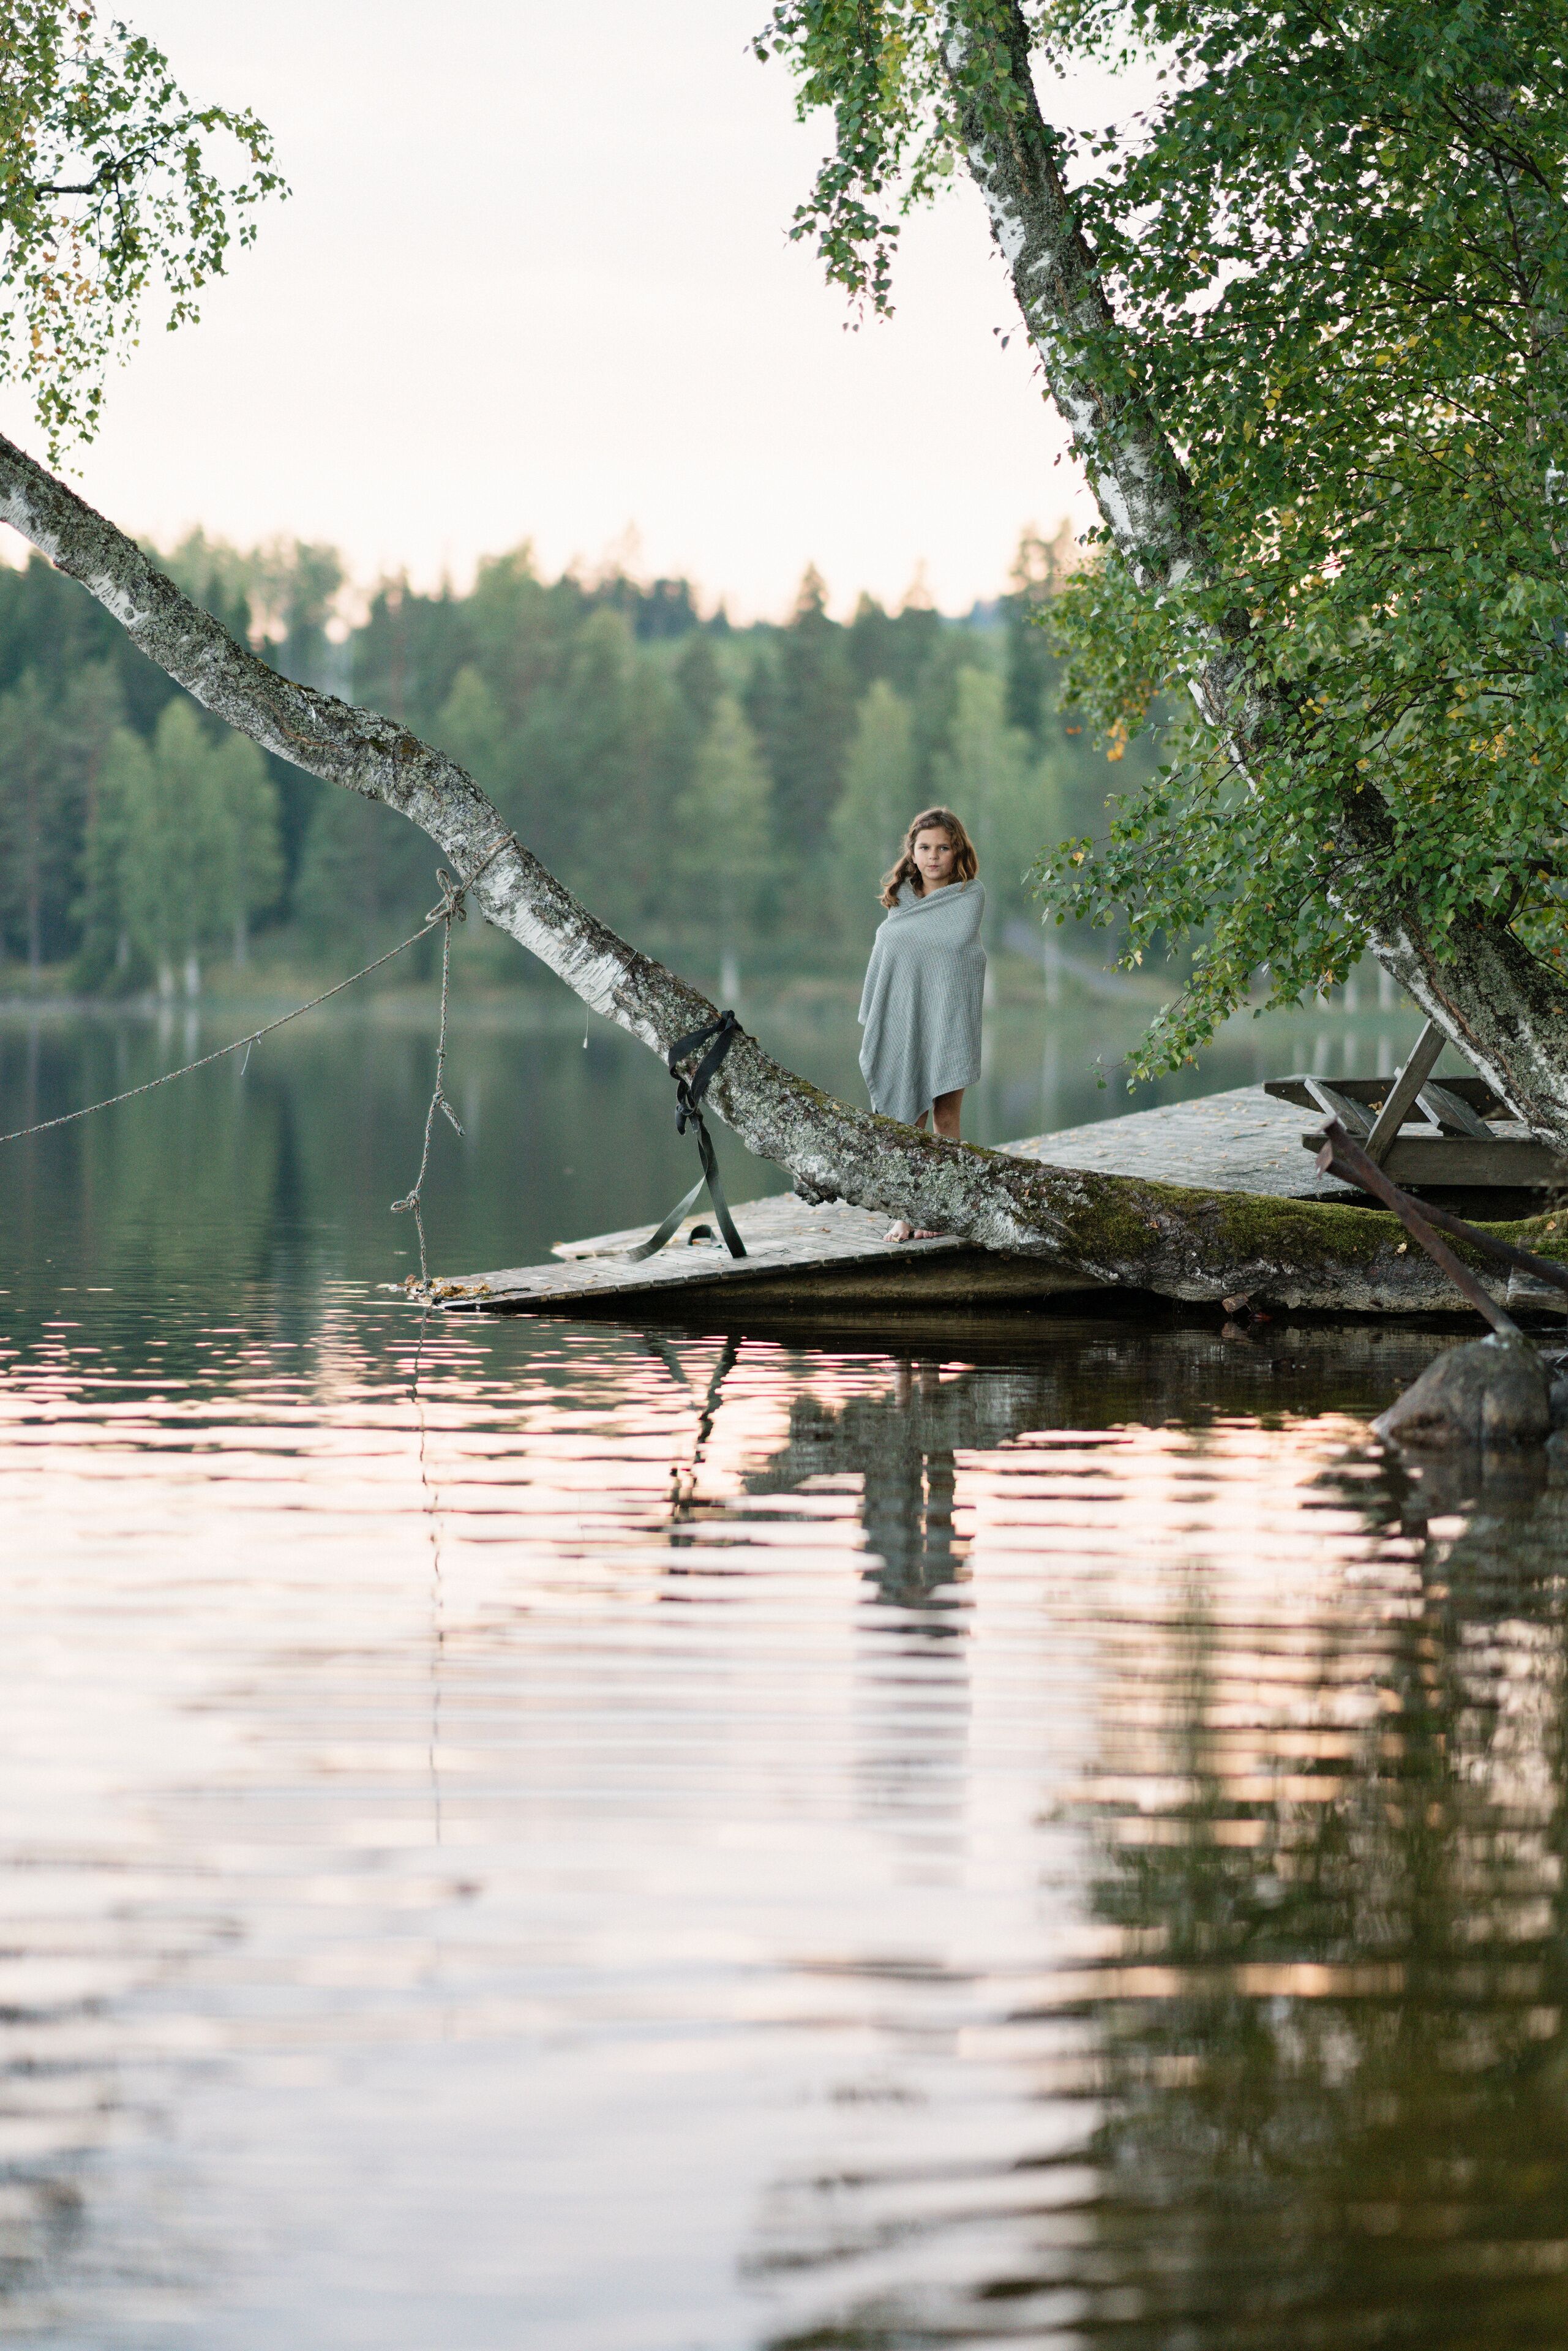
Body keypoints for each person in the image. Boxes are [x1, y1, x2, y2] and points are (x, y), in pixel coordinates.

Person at [857, 806, 986, 1242]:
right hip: (901, 1023)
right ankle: (905, 1213)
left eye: (943, 848)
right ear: (912, 852)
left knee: (945, 1119)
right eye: (925, 847)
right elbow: (893, 959)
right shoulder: (900, 901)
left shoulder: (969, 898)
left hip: (948, 1023)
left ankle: (941, 1211)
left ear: (956, 852)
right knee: (904, 1121)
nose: (933, 856)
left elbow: (957, 953)